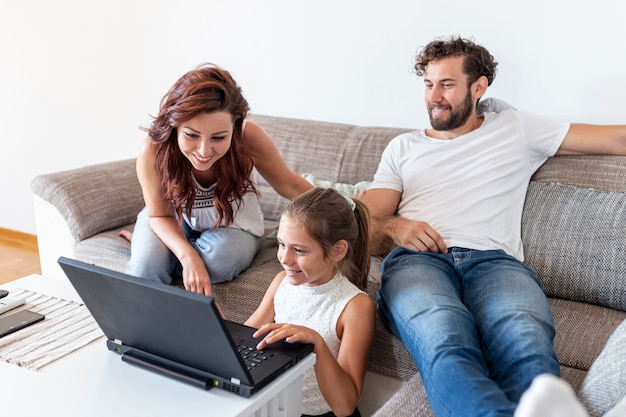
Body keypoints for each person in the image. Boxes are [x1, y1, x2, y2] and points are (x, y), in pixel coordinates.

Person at [359, 35, 626, 417]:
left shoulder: (516, 128)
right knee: (444, 338)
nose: (434, 96)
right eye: (428, 84)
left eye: (447, 84)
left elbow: (616, 137)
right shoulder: (403, 148)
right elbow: (361, 226)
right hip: (419, 261)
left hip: (495, 264)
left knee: (525, 341)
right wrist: (394, 228)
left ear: (479, 87)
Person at [125, 63, 312, 296]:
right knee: (145, 268)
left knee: (219, 261)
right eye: (191, 135)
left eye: (218, 137)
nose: (204, 151)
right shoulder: (153, 149)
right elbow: (160, 214)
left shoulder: (248, 137)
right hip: (172, 219)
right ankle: (158, 255)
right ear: (175, 125)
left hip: (233, 225)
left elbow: (290, 184)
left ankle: (161, 255)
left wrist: (344, 208)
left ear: (234, 126)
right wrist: (188, 257)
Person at [245, 187, 375, 417]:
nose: (284, 258)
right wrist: (220, 329)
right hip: (280, 408)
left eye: (299, 250)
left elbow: (344, 406)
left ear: (337, 251)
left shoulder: (354, 307)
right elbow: (247, 338)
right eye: (282, 244)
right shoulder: (281, 282)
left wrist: (316, 344)